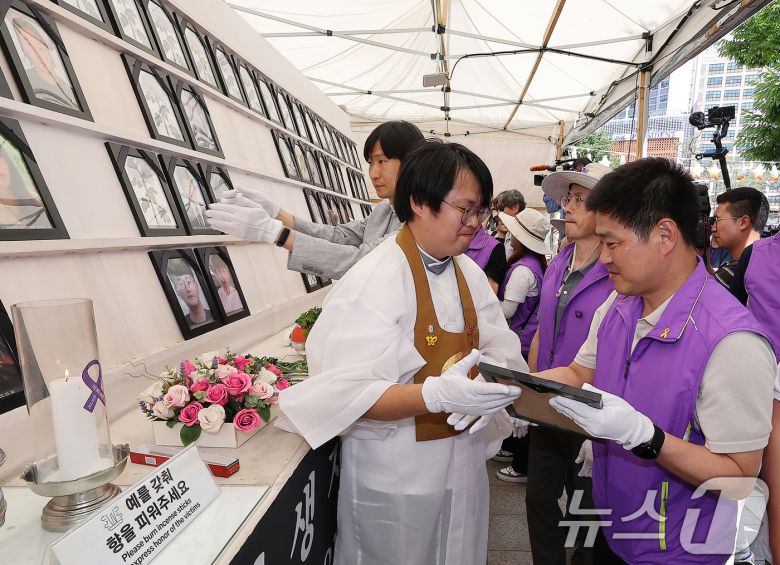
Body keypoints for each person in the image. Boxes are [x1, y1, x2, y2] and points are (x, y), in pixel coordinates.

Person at [279, 140, 527, 565]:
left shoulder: (467, 271)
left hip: (462, 465)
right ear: (418, 201)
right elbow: (346, 392)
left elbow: (502, 352)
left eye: (480, 211)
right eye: (464, 209)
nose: (475, 223)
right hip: (396, 472)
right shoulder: (375, 277)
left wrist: (489, 388)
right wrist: (433, 396)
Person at [538, 158, 775, 563]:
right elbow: (580, 371)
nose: (605, 258)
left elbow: (737, 477)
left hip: (678, 550)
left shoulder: (732, 342)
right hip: (615, 526)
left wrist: (646, 437)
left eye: (613, 244)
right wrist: (512, 389)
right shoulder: (619, 304)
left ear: (665, 234)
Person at [520, 162, 614, 563]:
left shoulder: (616, 270)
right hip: (550, 400)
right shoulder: (558, 261)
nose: (569, 208)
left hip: (590, 407)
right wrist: (530, 389)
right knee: (539, 497)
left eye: (580, 200)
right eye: (568, 199)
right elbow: (543, 329)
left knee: (586, 508)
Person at [206, 121, 424, 280]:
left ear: (410, 161)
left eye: (382, 161)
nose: (373, 173)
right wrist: (277, 214)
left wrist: (275, 233)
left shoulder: (421, 219)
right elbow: (340, 236)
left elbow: (360, 260)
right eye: (370, 163)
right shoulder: (385, 210)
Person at [492, 208, 549, 484]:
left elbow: (507, 311)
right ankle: (512, 449)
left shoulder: (522, 270)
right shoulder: (534, 265)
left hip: (521, 343)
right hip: (525, 341)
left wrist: (485, 296)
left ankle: (521, 464)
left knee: (521, 404)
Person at [11, 15, 80, 111]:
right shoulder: (27, 80)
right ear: (25, 52)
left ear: (48, 47)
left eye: (40, 47)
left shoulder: (69, 89)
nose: (38, 55)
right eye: (30, 48)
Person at [709, 187, 768, 289]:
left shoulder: (734, 273)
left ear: (743, 222)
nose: (713, 228)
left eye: (717, 219)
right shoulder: (766, 264)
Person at [167, 260, 214, 327]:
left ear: (197, 285)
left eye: (189, 282)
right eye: (181, 284)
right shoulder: (183, 325)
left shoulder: (214, 314)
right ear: (176, 291)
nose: (188, 289)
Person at [496, 189, 526, 259]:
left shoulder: (521, 233)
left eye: (502, 208)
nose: (500, 213)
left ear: (515, 208)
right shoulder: (510, 231)